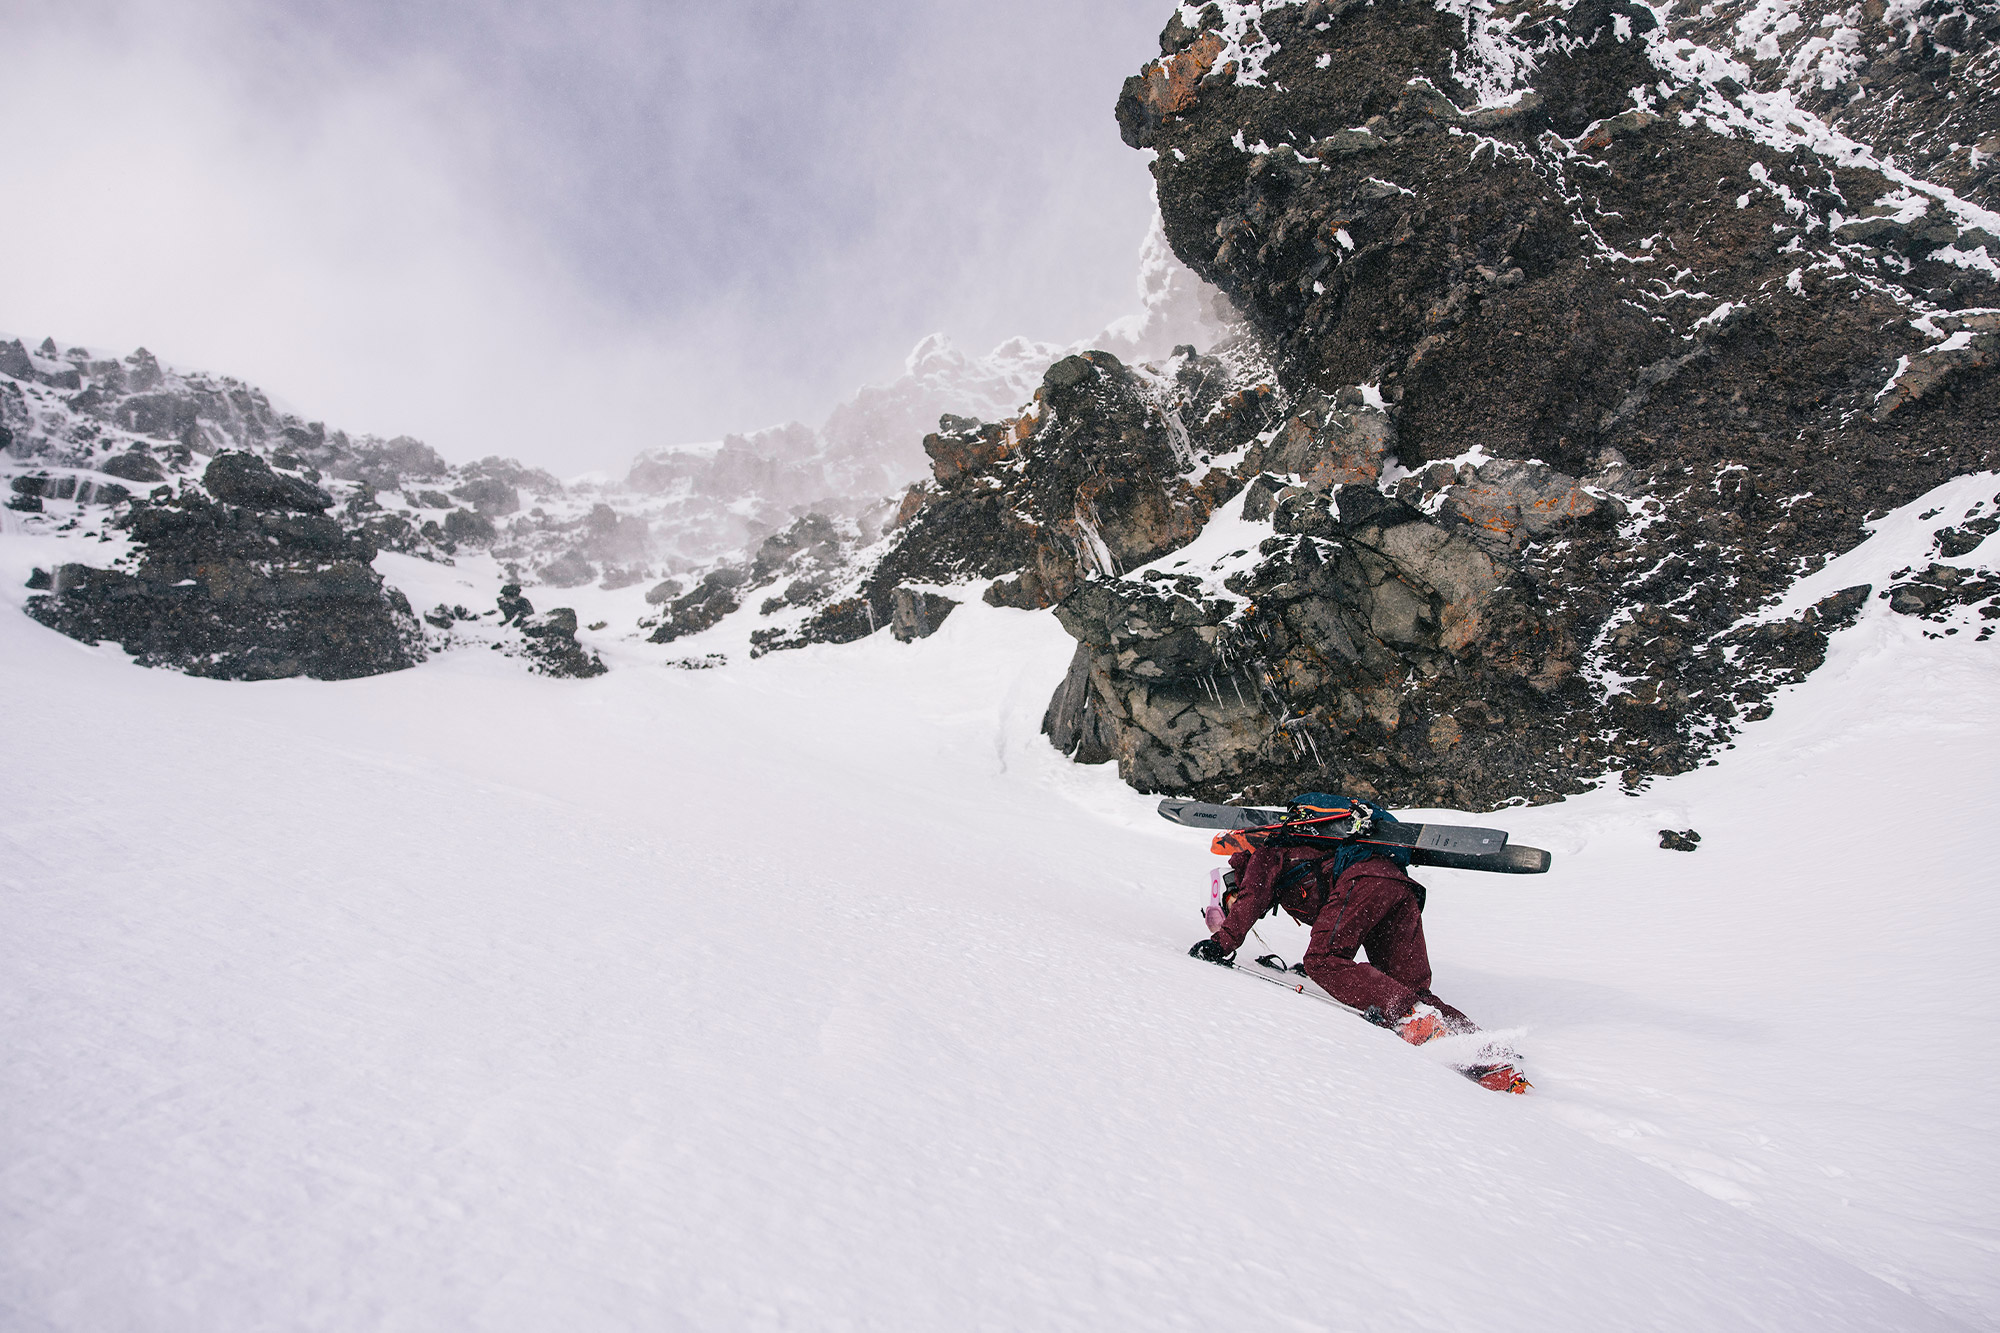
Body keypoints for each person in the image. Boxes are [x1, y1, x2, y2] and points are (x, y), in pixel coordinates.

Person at [1188, 793, 1474, 1047]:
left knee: (1322, 959)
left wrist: (1220, 943)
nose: (1228, 916)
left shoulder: (1263, 855)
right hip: (1396, 886)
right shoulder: (1293, 861)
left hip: (1365, 880)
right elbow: (1340, 917)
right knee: (1412, 988)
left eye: (1222, 910)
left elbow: (1252, 899)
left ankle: (1412, 1014)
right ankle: (1482, 1050)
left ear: (1227, 887)